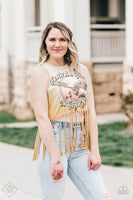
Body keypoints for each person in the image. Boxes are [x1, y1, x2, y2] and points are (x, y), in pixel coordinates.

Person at [30, 22, 110, 200]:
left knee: (101, 197)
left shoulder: (81, 70)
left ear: (69, 43)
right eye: (52, 39)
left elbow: (91, 111)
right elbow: (42, 117)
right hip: (54, 143)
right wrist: (55, 157)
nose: (57, 44)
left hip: (81, 145)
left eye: (62, 39)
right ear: (45, 44)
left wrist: (94, 150)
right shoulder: (41, 72)